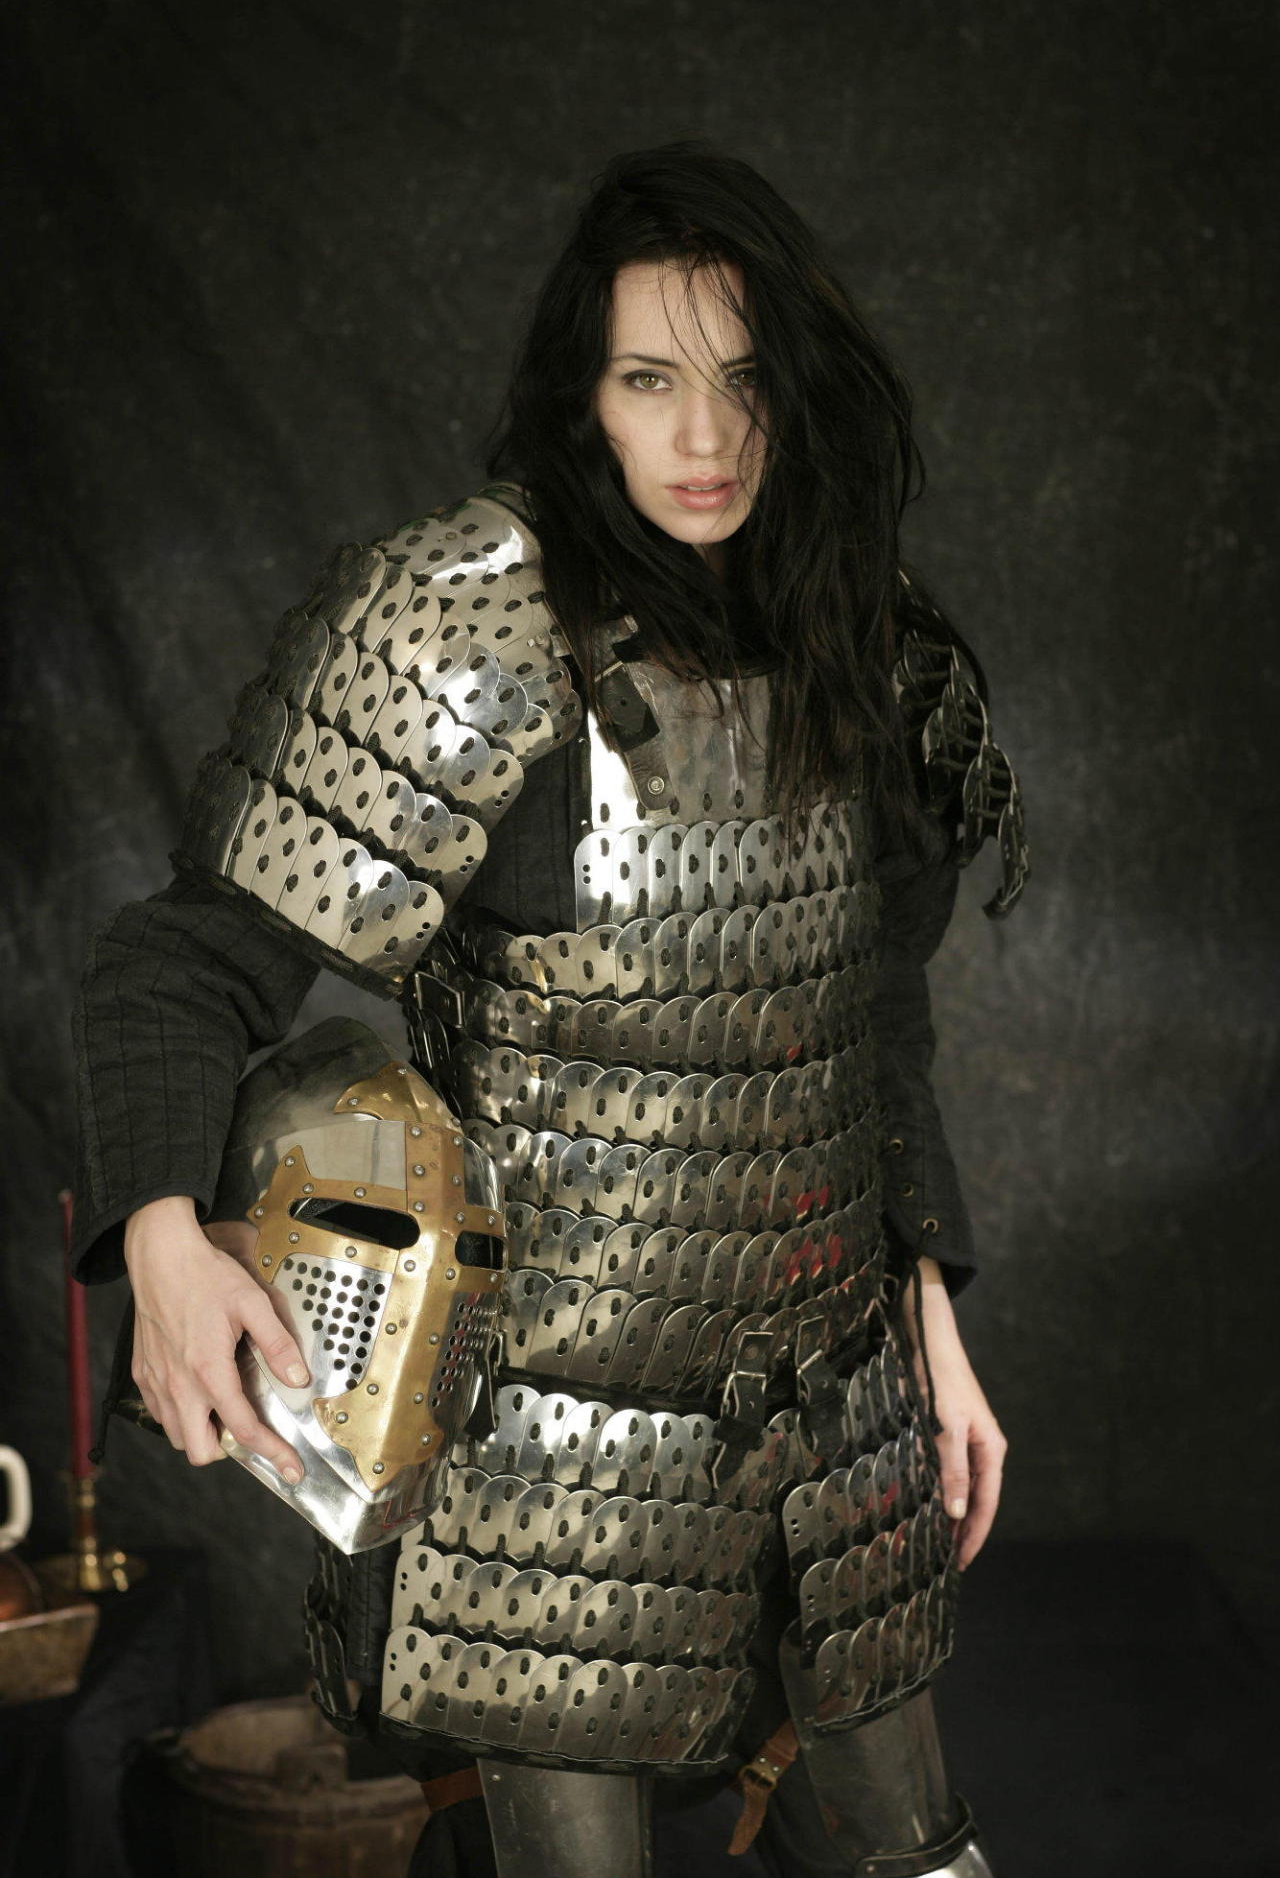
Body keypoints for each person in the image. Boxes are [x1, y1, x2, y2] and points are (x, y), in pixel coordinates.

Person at [72, 140, 1028, 1877]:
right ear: (583, 395)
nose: (706, 435)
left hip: (844, 1419)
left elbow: (869, 1020)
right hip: (546, 1469)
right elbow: (180, 964)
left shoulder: (857, 639)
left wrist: (931, 1321)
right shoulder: (470, 633)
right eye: (650, 380)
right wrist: (159, 1240)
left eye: (744, 380)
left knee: (924, 1860)